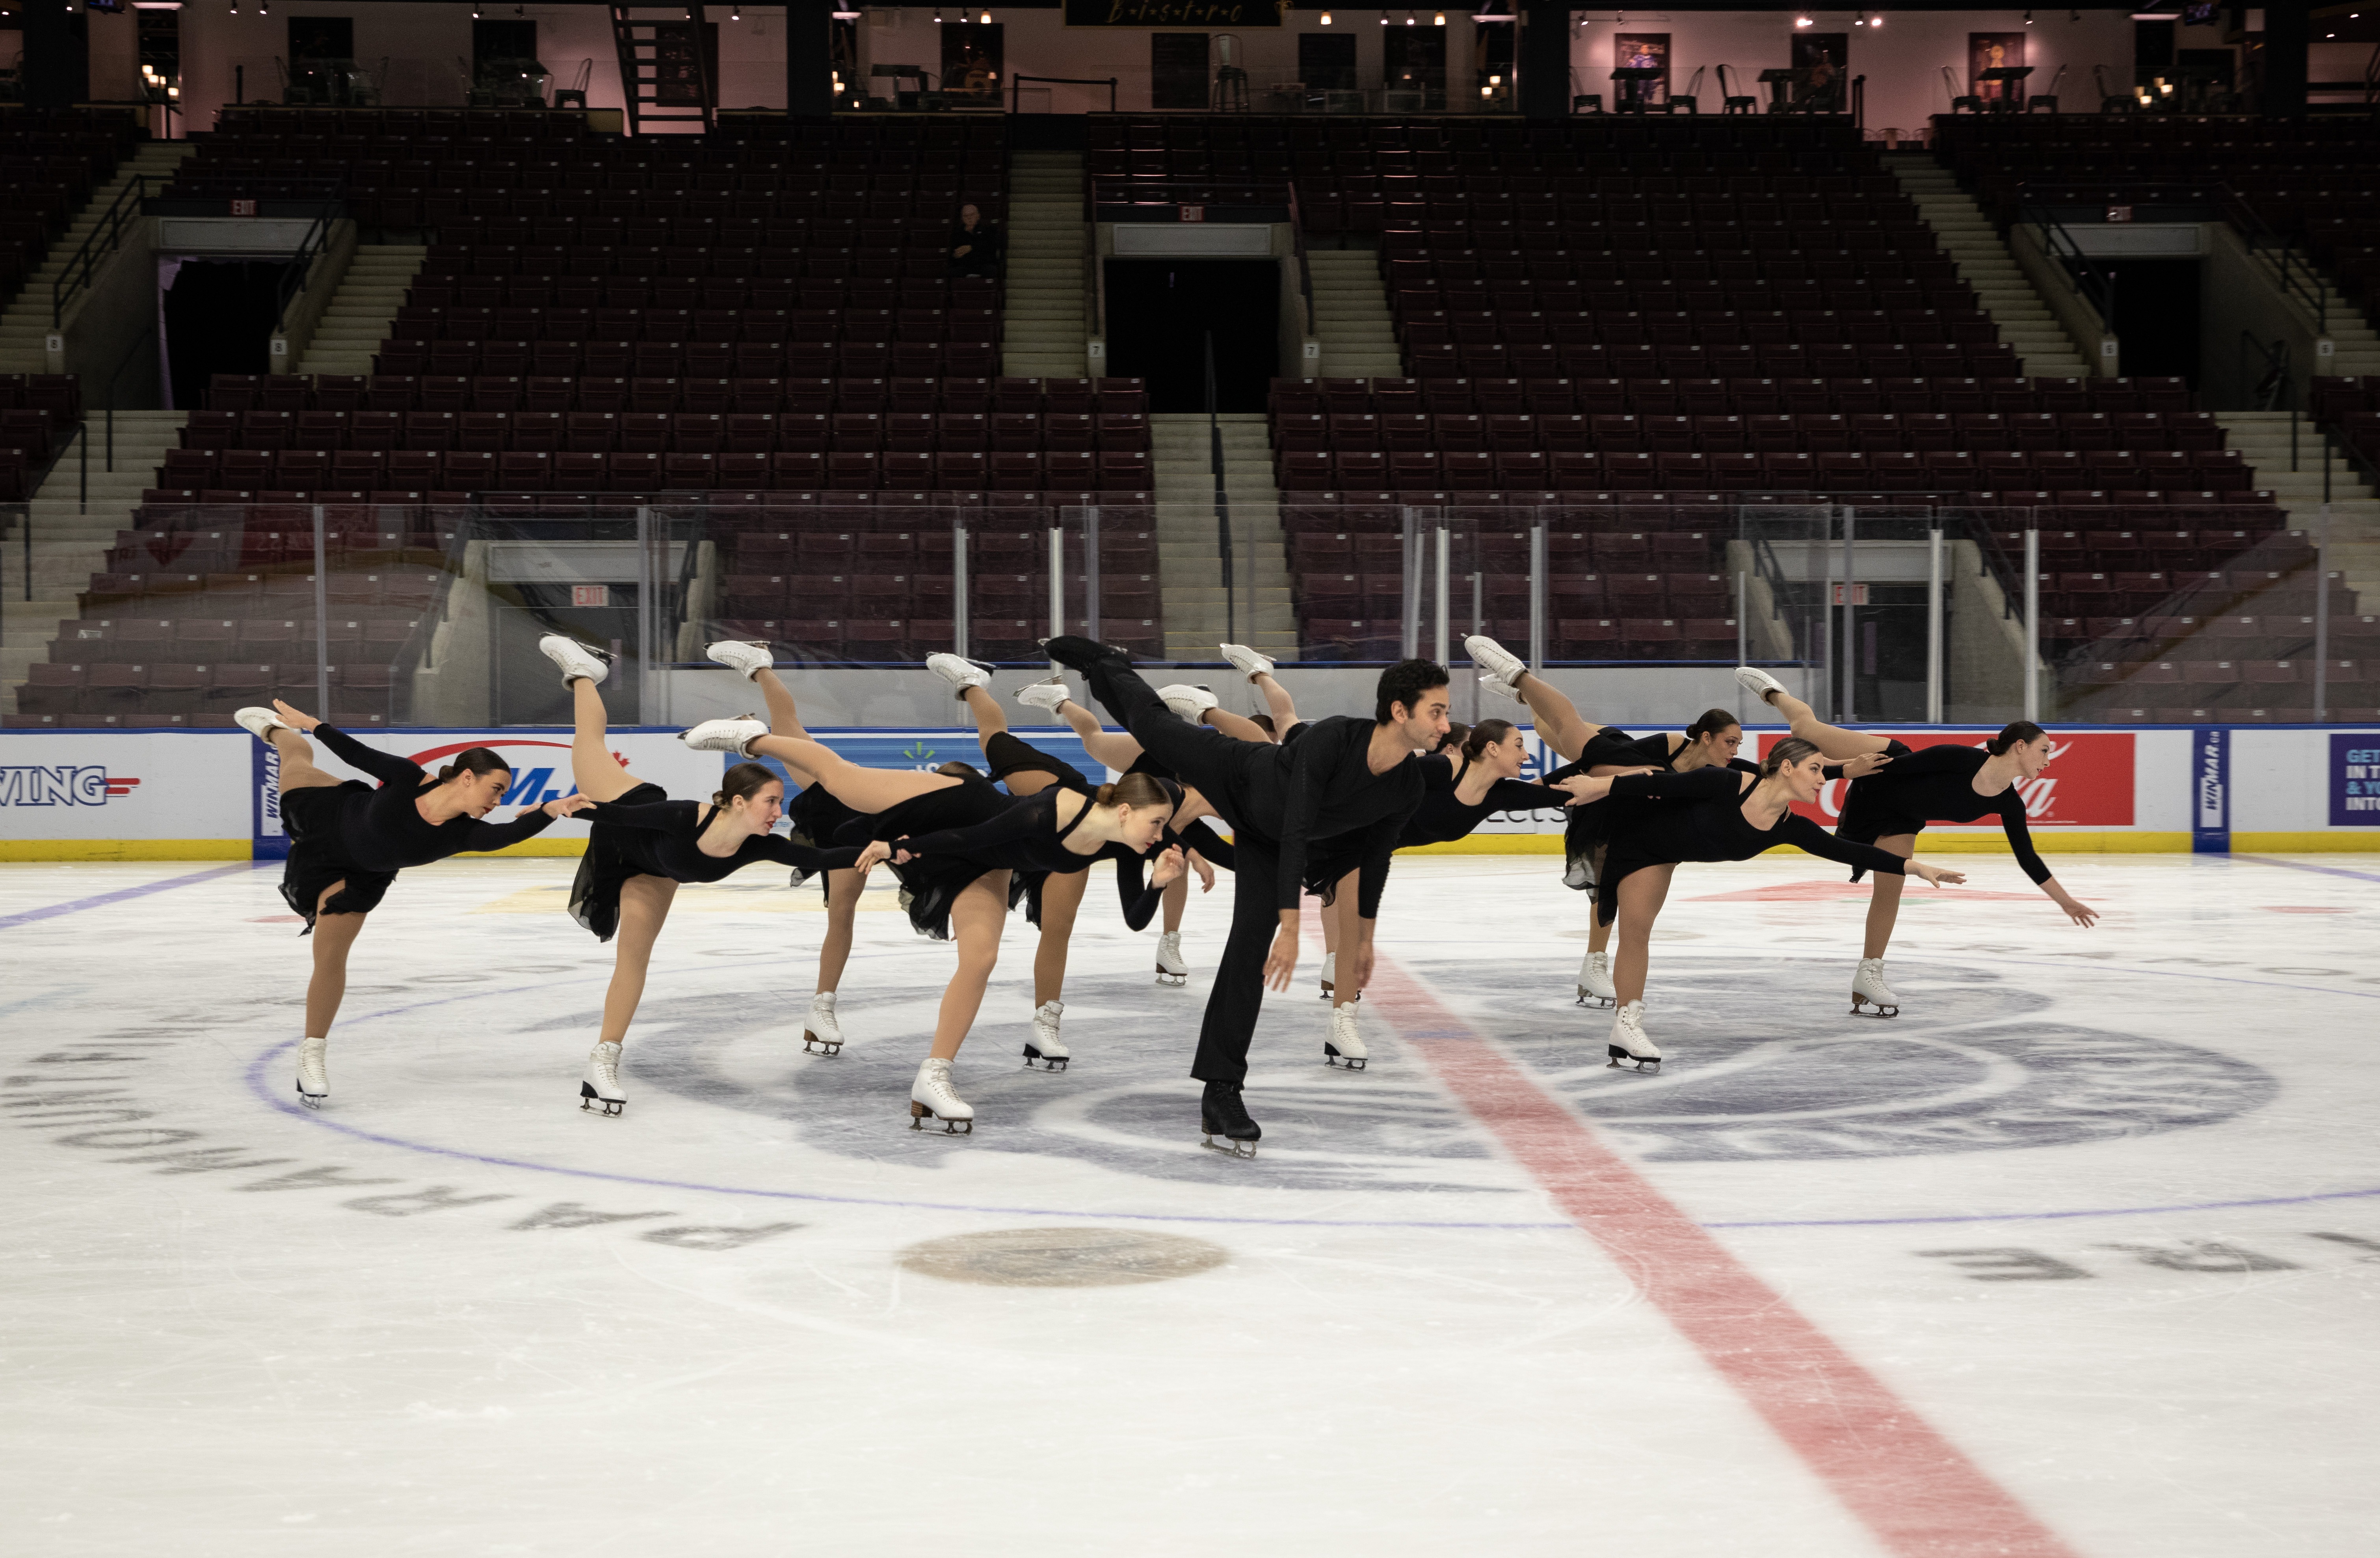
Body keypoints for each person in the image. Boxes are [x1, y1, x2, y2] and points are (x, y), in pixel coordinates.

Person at [679, 709, 1183, 1134]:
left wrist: (1158, 882)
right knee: (842, 779)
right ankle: (751, 738)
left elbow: (1136, 920)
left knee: (980, 958)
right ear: (1123, 811)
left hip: (988, 863)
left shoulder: (1121, 844)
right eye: (1155, 823)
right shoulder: (1056, 808)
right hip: (959, 816)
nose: (1159, 834)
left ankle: (933, 1077)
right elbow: (972, 837)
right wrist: (900, 847)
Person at [1045, 634, 1449, 1156]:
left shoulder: (1407, 786)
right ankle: (1107, 665)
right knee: (1154, 728)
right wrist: (1291, 924)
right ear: (1400, 710)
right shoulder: (1334, 739)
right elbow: (1300, 823)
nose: (1444, 724)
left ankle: (1221, 1091)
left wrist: (1365, 938)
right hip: (1237, 775)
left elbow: (1374, 861)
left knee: (1246, 955)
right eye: (1436, 711)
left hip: (1267, 842)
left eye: (1446, 713)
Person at [1464, 632, 1884, 1004]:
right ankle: (1521, 689)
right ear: (1705, 737)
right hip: (1617, 779)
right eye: (1728, 742)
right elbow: (1602, 764)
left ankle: (1521, 694)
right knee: (1566, 737)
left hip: (1648, 820)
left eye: (1738, 743)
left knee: (1566, 732)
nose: (1734, 751)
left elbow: (1781, 773)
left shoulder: (1731, 773)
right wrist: (1543, 789)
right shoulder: (1667, 745)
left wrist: (1846, 770)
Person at [540, 637, 863, 1115]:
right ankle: (584, 671)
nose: (780, 811)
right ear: (737, 802)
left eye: (778, 803)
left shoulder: (761, 845)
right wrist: (572, 809)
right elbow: (620, 820)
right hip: (627, 813)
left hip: (653, 874)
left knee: (634, 960)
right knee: (589, 744)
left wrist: (894, 850)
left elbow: (824, 859)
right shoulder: (681, 816)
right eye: (770, 803)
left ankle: (601, 1062)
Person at [233, 701, 584, 1109]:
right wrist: (312, 725)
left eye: (504, 795)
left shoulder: (462, 834)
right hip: (327, 815)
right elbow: (357, 755)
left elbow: (505, 835)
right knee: (294, 758)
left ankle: (312, 1053)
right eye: (496, 790)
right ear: (468, 778)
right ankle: (278, 733)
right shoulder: (408, 779)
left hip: (356, 877)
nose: (498, 802)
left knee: (329, 958)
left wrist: (549, 811)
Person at [1564, 739, 1965, 1070]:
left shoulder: (1788, 826)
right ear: (1786, 768)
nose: (1822, 779)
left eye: (1823, 772)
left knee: (1638, 931)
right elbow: (1659, 785)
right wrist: (1597, 788)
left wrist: (1913, 866)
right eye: (1814, 769)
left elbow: (1842, 848)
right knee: (1636, 931)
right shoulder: (1728, 784)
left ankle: (1624, 1028)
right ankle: (1628, 1025)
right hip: (1635, 835)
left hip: (1666, 854)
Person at [1734, 666, 2099, 1015]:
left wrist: (2066, 902)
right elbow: (1888, 770)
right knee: (1806, 728)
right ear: (2020, 746)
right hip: (1882, 768)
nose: (2049, 761)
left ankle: (1869, 973)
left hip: (1902, 821)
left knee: (1891, 889)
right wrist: (1839, 769)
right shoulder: (1958, 759)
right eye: (2045, 750)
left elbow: (2028, 858)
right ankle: (1774, 693)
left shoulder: (2009, 803)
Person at [928, 652, 1229, 1067]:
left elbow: (1141, 906)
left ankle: (1045, 1022)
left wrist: (1169, 871)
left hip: (1079, 842)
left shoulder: (1153, 835)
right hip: (1059, 798)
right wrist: (1191, 851)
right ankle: (971, 682)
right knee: (993, 738)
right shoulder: (1162, 794)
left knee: (1058, 927)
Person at [1304, 717, 1597, 1065]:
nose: (1526, 753)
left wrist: (1619, 776)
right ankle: (1340, 1012)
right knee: (1350, 928)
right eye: (1518, 745)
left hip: (1365, 853)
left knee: (1354, 929)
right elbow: (1372, 776)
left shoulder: (1497, 795)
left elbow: (1563, 793)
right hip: (1336, 832)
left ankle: (1341, 1023)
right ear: (1492, 748)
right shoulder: (1442, 768)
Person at [704, 640, 875, 1056]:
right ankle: (758, 676)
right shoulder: (838, 784)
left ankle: (753, 717)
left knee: (787, 729)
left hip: (862, 823)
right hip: (842, 810)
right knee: (788, 728)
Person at [948, 202, 1002, 278]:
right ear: (962, 219)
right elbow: (953, 252)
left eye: (972, 215)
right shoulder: (957, 233)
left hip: (983, 264)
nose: (969, 218)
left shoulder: (988, 230)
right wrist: (956, 255)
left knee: (991, 270)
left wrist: (971, 248)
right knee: (953, 272)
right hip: (965, 265)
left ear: (978, 216)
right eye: (966, 216)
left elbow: (991, 246)